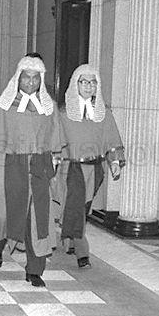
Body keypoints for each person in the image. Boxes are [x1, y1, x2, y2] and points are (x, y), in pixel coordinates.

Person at [0, 55, 64, 287]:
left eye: (36, 78)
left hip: (38, 166)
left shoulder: (48, 107)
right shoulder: (4, 106)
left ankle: (34, 269)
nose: (31, 83)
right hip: (9, 165)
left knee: (37, 217)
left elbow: (56, 140)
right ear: (18, 78)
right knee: (5, 211)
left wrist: (54, 159)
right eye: (27, 77)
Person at [57, 64, 124, 268]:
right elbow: (56, 139)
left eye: (93, 82)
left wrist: (114, 161)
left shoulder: (103, 114)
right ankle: (81, 251)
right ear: (75, 84)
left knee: (81, 209)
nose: (88, 86)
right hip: (71, 169)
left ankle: (68, 239)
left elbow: (111, 138)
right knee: (76, 207)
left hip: (94, 170)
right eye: (84, 81)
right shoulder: (64, 113)